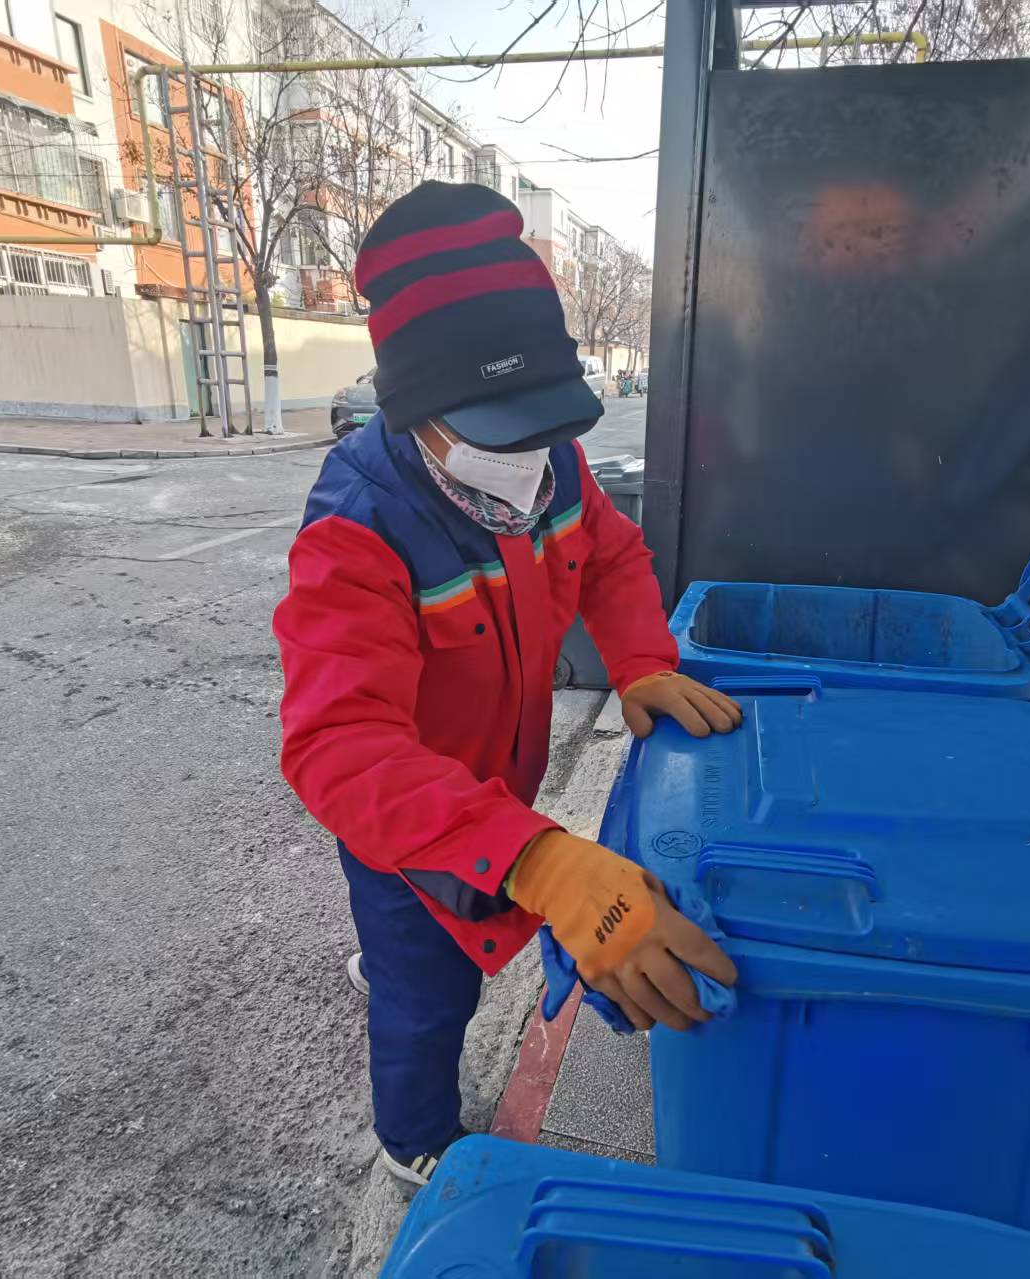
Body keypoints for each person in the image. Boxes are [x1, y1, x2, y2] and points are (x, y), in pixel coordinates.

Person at [272, 182, 742, 1187]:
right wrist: (539, 862)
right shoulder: (357, 530)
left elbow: (611, 558)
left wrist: (643, 661)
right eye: (501, 429)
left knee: (430, 960)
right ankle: (414, 1138)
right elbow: (338, 747)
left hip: (497, 792)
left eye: (542, 425)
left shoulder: (552, 465)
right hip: (413, 826)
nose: (531, 458)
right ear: (418, 415)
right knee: (428, 991)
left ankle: (390, 961)